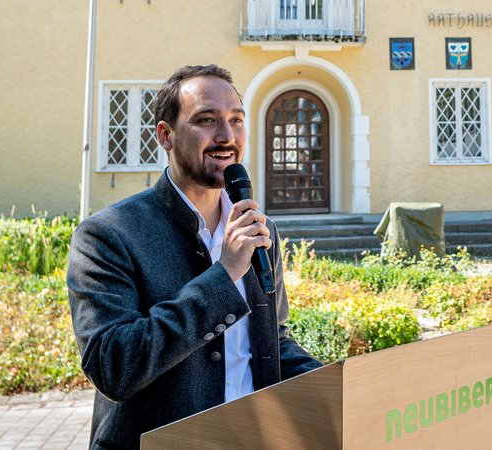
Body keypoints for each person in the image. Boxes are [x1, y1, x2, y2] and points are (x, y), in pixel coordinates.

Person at [67, 64, 322, 449]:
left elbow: (271, 343)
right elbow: (113, 367)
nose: (227, 136)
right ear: (165, 136)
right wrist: (225, 273)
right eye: (207, 120)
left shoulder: (258, 227)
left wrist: (343, 386)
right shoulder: (108, 235)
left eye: (236, 120)